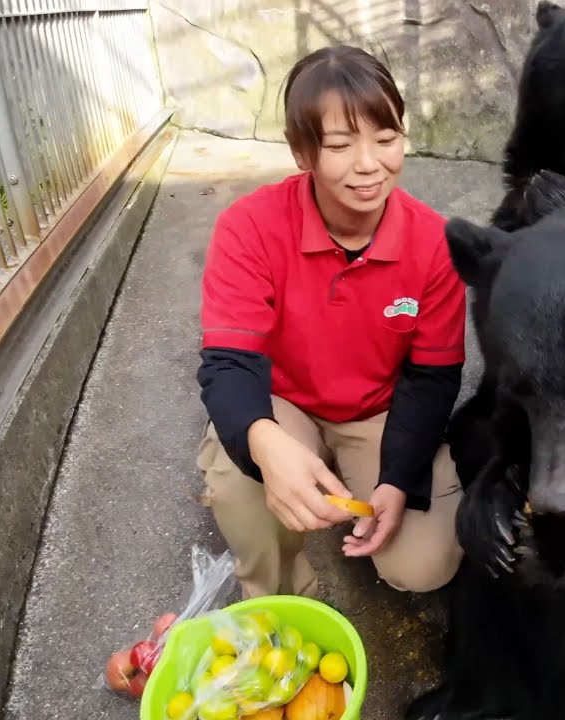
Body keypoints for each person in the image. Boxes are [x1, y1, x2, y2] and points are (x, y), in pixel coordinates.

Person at [195, 45, 468, 599]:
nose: (369, 164)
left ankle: (358, 476)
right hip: (283, 402)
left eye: (386, 139)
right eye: (341, 145)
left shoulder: (436, 244)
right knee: (239, 479)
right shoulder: (248, 228)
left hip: (378, 411)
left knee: (425, 564)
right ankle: (283, 600)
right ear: (302, 152)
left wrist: (398, 478)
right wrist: (264, 441)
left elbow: (432, 378)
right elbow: (228, 363)